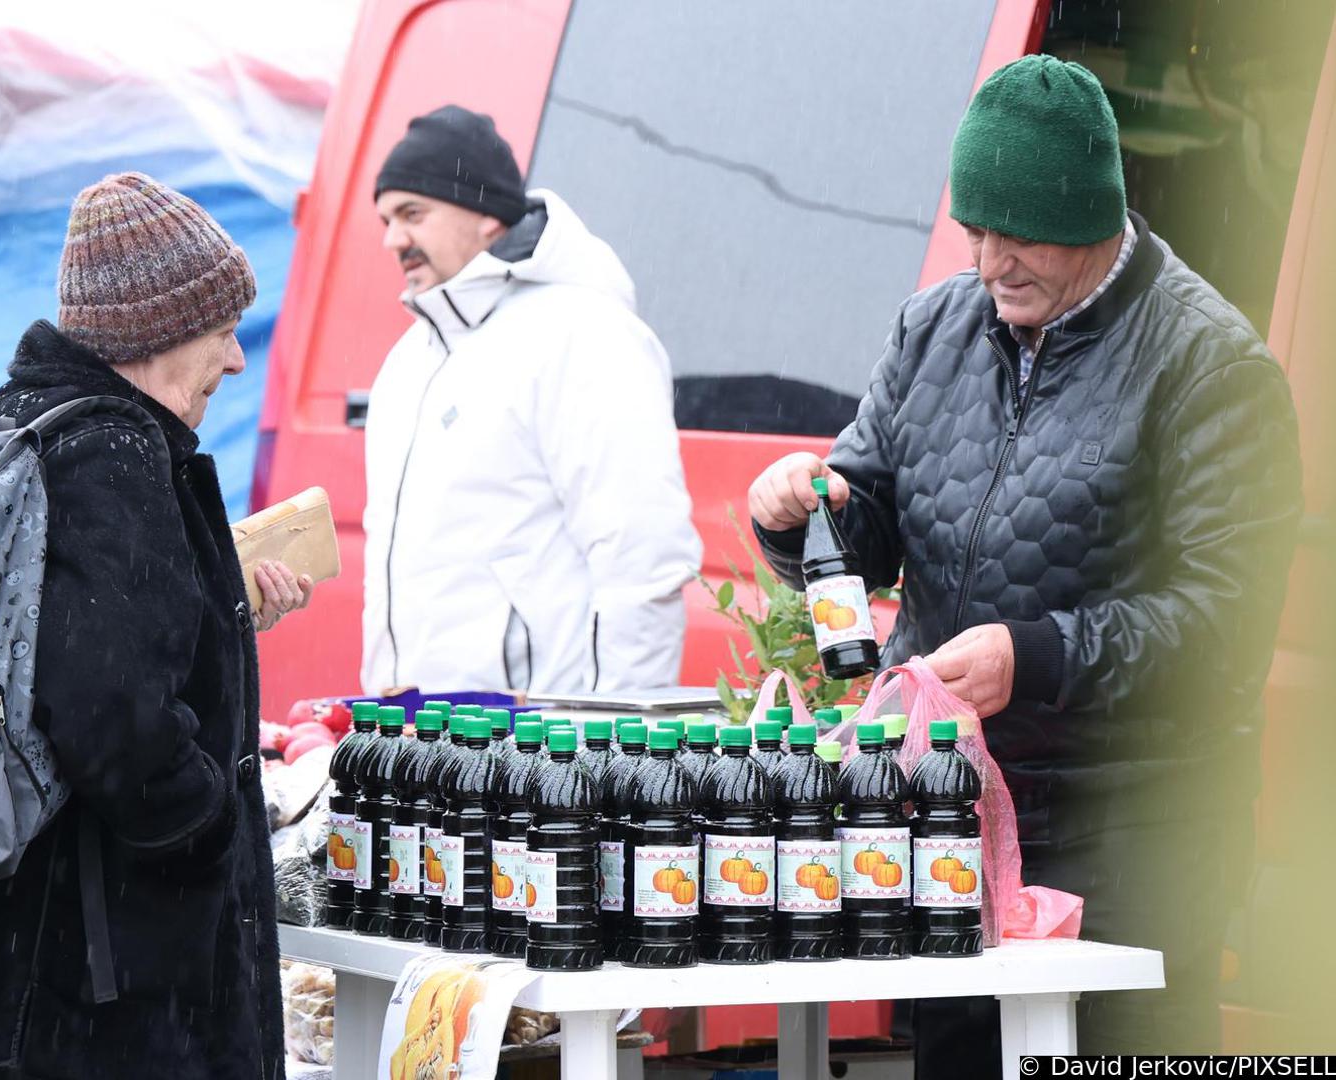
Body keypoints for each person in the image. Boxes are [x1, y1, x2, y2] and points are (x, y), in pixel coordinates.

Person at [747, 57, 1301, 1073]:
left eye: (1021, 235)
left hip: (1136, 832)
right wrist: (796, 516)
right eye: (975, 232)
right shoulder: (933, 328)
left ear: (1094, 216)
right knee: (962, 1057)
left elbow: (1223, 624)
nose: (993, 262)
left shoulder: (1209, 368)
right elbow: (862, 520)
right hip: (957, 809)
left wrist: (1034, 657)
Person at [0, 173, 306, 1079]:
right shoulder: (111, 451)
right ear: (158, 333)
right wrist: (205, 824)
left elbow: (54, 648)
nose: (237, 360)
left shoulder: (13, 429)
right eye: (223, 331)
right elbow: (113, 713)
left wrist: (219, 607)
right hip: (88, 1000)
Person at [362, 104, 701, 696]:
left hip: (541, 754)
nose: (394, 240)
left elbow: (642, 556)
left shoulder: (584, 334)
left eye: (412, 213)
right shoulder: (408, 357)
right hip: (418, 741)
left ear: (486, 215)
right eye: (387, 219)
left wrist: (609, 754)